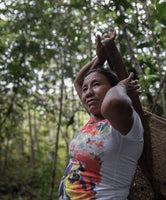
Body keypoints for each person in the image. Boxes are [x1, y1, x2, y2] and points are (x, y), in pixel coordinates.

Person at [58, 29, 144, 200]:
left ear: (114, 88)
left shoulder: (123, 121)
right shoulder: (94, 120)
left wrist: (121, 87)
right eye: (85, 89)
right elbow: (78, 81)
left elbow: (112, 103)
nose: (88, 92)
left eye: (96, 85)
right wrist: (100, 58)